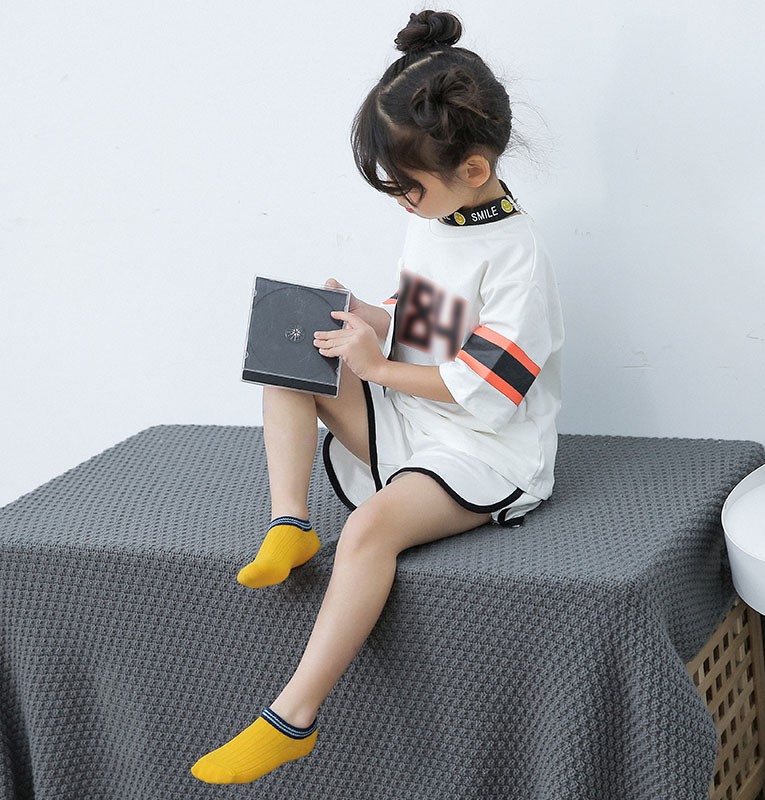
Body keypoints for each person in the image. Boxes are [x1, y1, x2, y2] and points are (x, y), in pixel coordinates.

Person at [191, 9, 564, 785]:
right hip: (415, 422)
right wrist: (369, 316)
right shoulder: (438, 219)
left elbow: (488, 390)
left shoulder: (517, 257)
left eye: (407, 187)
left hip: (483, 453)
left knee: (367, 532)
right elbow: (429, 325)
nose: (401, 202)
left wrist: (377, 367)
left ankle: (292, 719)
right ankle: (290, 523)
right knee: (293, 349)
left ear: (474, 170)